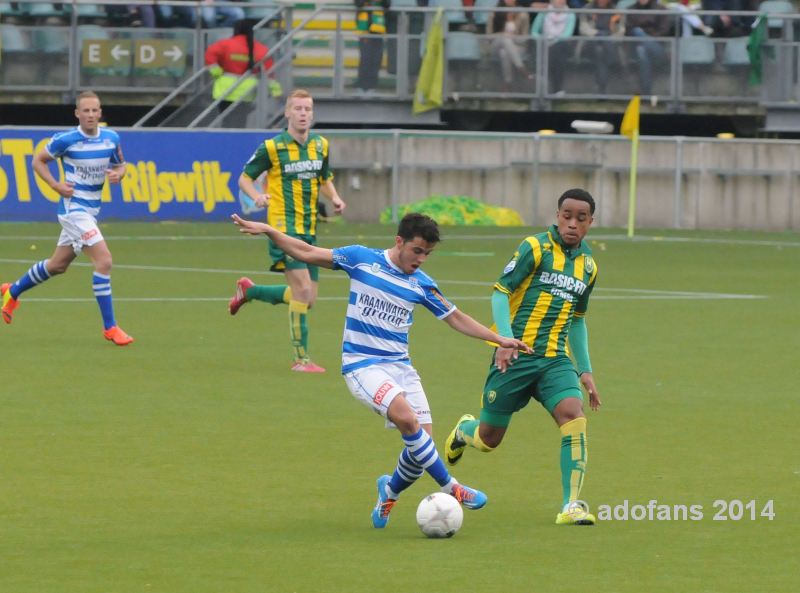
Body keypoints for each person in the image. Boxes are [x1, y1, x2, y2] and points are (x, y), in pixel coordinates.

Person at [231, 211, 533, 528]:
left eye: (427, 254)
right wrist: (268, 230)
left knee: (421, 449)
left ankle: (388, 491)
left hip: (400, 367)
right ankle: (452, 487)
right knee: (407, 418)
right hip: (362, 365)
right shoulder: (361, 259)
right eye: (417, 250)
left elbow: (456, 317)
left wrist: (498, 338)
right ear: (399, 241)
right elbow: (306, 252)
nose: (421, 259)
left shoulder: (422, 284)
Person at [444, 188, 602, 525]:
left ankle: (571, 505)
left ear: (591, 223)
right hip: (515, 358)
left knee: (573, 415)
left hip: (555, 361)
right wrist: (505, 340)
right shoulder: (534, 247)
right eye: (566, 216)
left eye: (581, 218)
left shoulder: (588, 266)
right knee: (489, 439)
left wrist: (585, 369)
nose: (572, 224)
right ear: (557, 215)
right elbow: (501, 293)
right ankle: (463, 431)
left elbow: (577, 319)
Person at [1, 91, 133, 346]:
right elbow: (38, 161)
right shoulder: (66, 140)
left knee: (57, 265)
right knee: (104, 261)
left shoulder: (111, 138)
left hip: (91, 211)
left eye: (95, 111)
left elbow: (120, 165)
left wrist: (120, 174)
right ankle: (111, 328)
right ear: (77, 114)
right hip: (74, 210)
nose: (91, 115)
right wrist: (55, 185)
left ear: (100, 112)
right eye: (86, 111)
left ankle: (12, 291)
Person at [229, 89, 346, 373]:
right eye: (298, 108)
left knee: (308, 298)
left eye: (308, 108)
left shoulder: (321, 145)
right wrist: (257, 196)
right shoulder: (273, 147)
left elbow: (324, 178)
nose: (303, 113)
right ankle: (301, 360)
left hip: (309, 228)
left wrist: (335, 197)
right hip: (282, 227)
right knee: (303, 290)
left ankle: (251, 291)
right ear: (287, 113)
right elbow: (244, 178)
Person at [204, 18, 277, 120]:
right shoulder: (261, 48)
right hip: (247, 92)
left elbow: (210, 54)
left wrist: (216, 73)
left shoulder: (225, 44)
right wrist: (276, 92)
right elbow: (269, 72)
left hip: (225, 90)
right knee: (241, 123)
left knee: (225, 122)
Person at [626, 0, 672, 96]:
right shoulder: (631, 9)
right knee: (641, 50)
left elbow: (664, 30)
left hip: (658, 48)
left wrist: (650, 38)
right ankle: (646, 94)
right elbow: (628, 31)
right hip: (636, 48)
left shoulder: (661, 9)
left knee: (638, 32)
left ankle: (646, 94)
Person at [530, 0, 577, 95]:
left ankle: (556, 89)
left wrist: (552, 42)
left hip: (562, 45)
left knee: (557, 50)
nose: (560, 1)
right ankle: (553, 89)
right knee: (543, 49)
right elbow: (534, 31)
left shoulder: (571, 14)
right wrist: (542, 39)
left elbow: (567, 34)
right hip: (544, 43)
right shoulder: (544, 13)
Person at [578, 0, 625, 94]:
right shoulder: (588, 8)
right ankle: (604, 86)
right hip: (591, 42)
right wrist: (598, 34)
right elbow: (583, 28)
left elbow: (621, 31)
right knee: (599, 50)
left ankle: (601, 89)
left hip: (610, 43)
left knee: (601, 52)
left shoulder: (616, 10)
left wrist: (613, 26)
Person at [488, 0, 533, 91]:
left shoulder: (523, 14)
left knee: (504, 52)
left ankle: (507, 83)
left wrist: (512, 38)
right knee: (505, 39)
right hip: (496, 44)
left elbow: (524, 38)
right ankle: (521, 67)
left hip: (518, 46)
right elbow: (489, 36)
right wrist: (503, 35)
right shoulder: (495, 12)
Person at [354, 0, 389, 92]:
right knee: (366, 58)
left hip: (378, 30)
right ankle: (362, 86)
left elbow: (387, 5)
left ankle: (372, 86)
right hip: (365, 30)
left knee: (376, 59)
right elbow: (358, 4)